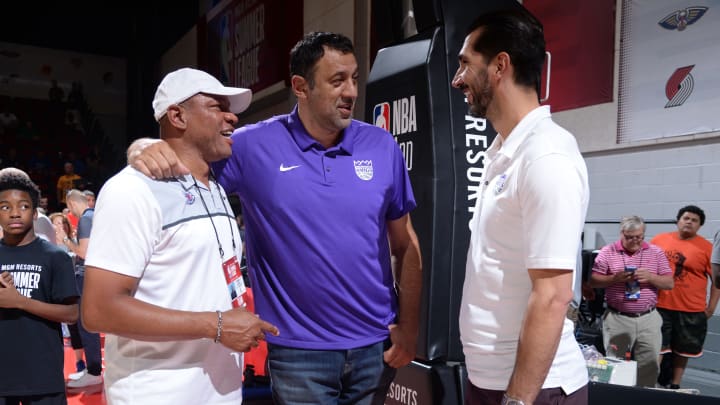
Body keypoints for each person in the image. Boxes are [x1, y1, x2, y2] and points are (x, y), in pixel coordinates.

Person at [128, 32, 422, 405]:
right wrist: (143, 146)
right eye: (336, 81)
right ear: (300, 86)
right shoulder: (250, 146)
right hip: (298, 352)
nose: (350, 91)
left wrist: (410, 327)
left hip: (374, 346)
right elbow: (187, 159)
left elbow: (406, 244)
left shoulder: (382, 146)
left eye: (353, 78)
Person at [81, 67, 279, 404]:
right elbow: (99, 310)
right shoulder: (132, 190)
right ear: (177, 116)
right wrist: (215, 325)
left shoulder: (213, 186)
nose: (232, 117)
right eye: (218, 106)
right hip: (157, 393)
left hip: (219, 391)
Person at [452, 8, 590, 405]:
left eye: (465, 63)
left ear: (500, 66)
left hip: (532, 391)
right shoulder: (503, 154)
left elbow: (552, 296)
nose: (457, 78)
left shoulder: (546, 157)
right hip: (490, 379)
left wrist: (517, 400)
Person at [0, 169, 79, 405]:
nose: (14, 213)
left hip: (43, 375)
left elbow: (72, 314)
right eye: (5, 207)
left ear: (35, 213)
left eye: (23, 206)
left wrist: (20, 301)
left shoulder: (56, 257)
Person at [589, 216, 673, 387]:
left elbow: (669, 283)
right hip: (617, 317)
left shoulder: (656, 252)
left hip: (648, 318)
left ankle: (644, 397)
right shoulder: (608, 251)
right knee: (615, 363)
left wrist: (650, 277)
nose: (635, 241)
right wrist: (615, 278)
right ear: (622, 233)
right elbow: (593, 281)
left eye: (639, 237)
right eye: (630, 237)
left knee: (649, 365)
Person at [651, 205, 720, 389]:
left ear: (699, 226)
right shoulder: (659, 240)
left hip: (691, 309)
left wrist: (711, 307)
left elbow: (716, 281)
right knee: (658, 347)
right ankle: (651, 384)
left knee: (684, 351)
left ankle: (675, 384)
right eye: (686, 218)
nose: (689, 222)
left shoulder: (707, 248)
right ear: (678, 220)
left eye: (694, 220)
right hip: (660, 304)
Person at [63, 189, 104, 388]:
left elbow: (84, 252)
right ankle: (92, 369)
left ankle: (94, 370)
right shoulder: (94, 217)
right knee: (85, 324)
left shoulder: (86, 219)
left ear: (71, 203)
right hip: (90, 276)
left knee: (86, 324)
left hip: (85, 275)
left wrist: (65, 240)